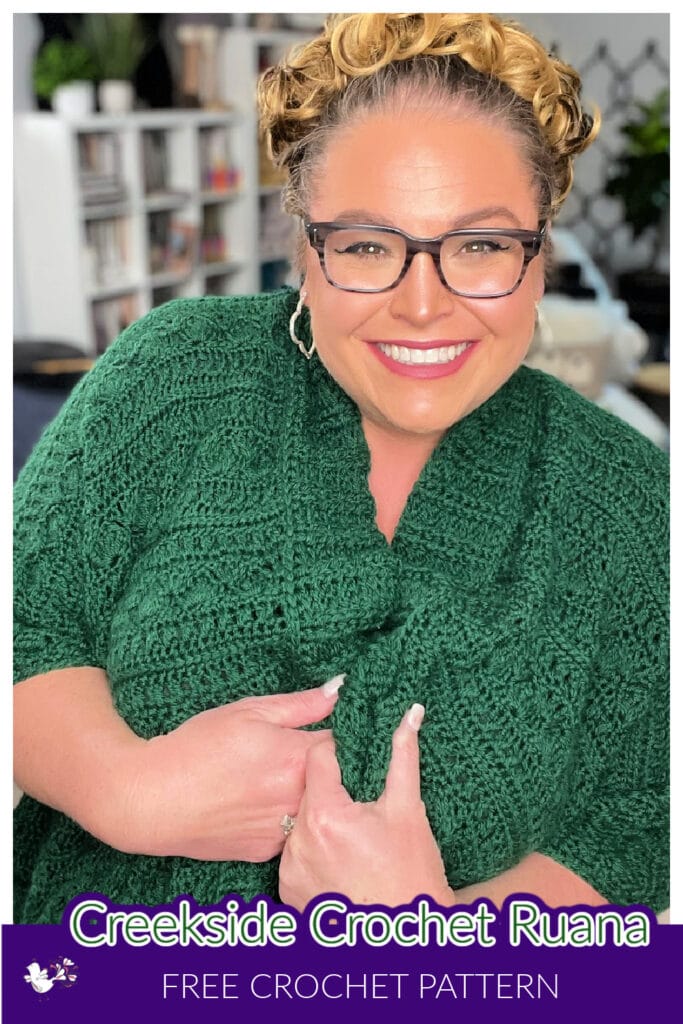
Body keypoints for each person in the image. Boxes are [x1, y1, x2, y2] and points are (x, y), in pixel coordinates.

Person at [14, 13, 668, 924]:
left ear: (540, 254)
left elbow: (642, 826)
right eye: (366, 246)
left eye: (480, 246)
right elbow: (28, 620)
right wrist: (126, 788)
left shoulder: (633, 505)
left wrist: (432, 933)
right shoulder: (172, 377)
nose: (422, 305)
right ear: (305, 250)